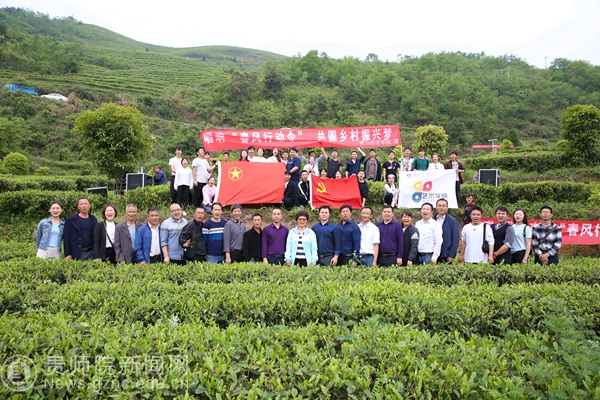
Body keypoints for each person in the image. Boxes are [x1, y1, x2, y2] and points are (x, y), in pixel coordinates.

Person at [433, 198, 459, 263]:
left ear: (447, 207)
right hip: (432, 254)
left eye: (443, 206)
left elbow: (455, 239)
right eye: (439, 206)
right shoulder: (432, 220)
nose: (441, 208)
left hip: (446, 255)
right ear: (436, 207)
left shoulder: (453, 221)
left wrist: (452, 254)